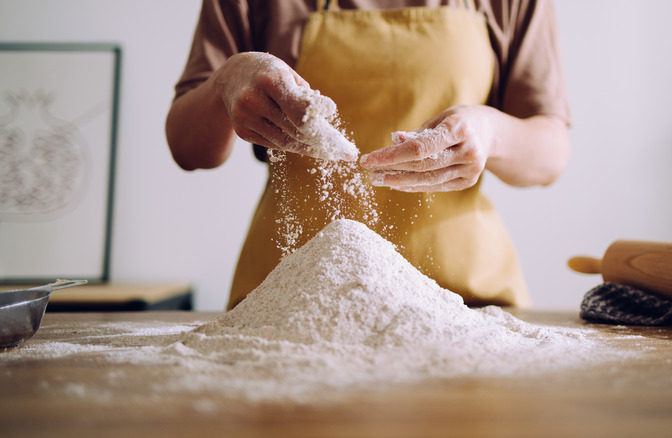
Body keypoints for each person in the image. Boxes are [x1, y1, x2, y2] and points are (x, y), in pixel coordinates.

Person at [166, 0, 571, 309]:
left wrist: (490, 132)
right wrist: (227, 80)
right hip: (291, 304)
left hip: (465, 304)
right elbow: (187, 147)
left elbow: (551, 152)